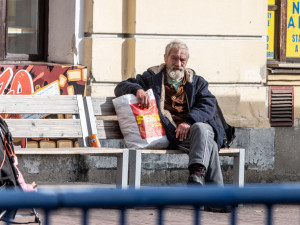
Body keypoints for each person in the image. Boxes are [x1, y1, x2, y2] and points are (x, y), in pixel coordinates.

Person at [115, 40, 230, 212]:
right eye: (174, 59)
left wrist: (188, 121)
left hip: (194, 132)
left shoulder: (197, 81)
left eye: (182, 60)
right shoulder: (151, 77)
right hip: (172, 134)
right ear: (165, 58)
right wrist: (137, 90)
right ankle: (212, 194)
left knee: (201, 129)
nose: (178, 64)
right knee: (210, 144)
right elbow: (120, 87)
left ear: (187, 61)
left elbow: (208, 103)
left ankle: (196, 175)